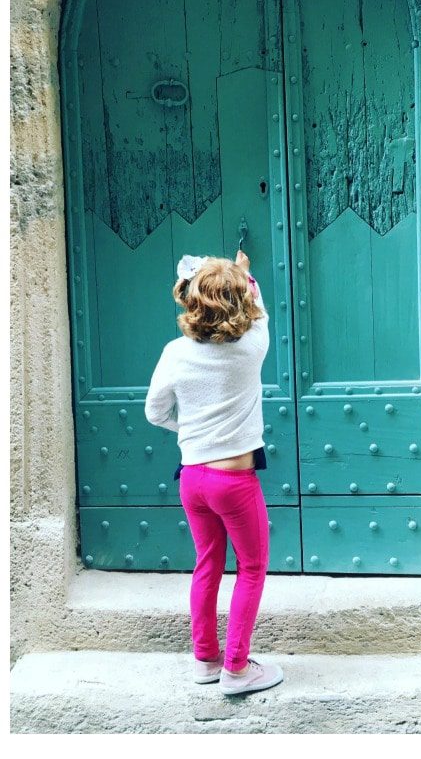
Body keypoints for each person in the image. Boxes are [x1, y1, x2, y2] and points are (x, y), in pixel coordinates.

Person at [145, 249, 284, 696]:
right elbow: (257, 306)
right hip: (233, 482)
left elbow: (154, 413)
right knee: (252, 567)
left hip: (192, 479)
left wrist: (188, 430)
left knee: (208, 564)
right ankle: (238, 669)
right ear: (238, 300)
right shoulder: (252, 346)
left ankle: (205, 660)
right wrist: (244, 272)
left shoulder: (174, 352)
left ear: (192, 301)